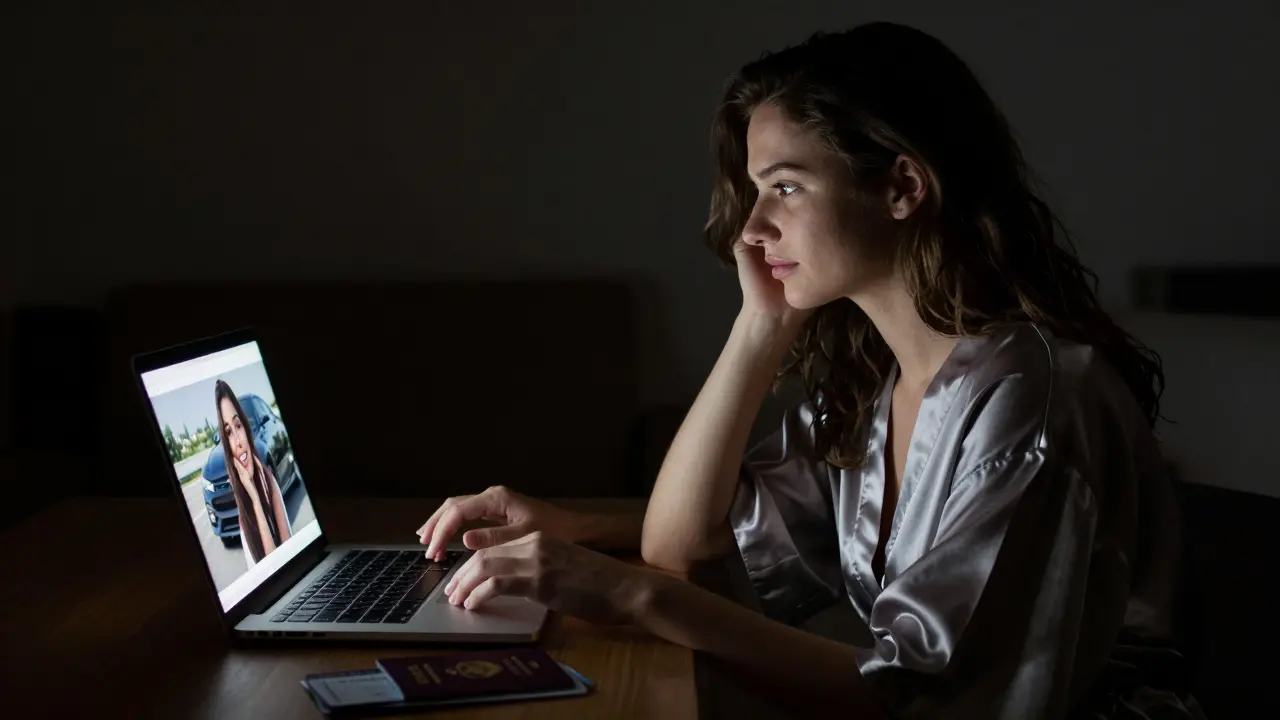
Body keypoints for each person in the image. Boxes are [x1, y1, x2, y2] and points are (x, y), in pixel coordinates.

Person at [414, 22, 1203, 719]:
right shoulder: (875, 386)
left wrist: (628, 593)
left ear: (902, 186)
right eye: (756, 193)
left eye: (786, 187)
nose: (752, 229)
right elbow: (682, 542)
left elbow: (915, 700)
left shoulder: (1033, 398)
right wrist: (758, 328)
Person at [215, 380, 292, 566]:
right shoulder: (244, 520)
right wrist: (255, 501)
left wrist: (261, 493)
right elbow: (272, 572)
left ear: (246, 428)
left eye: (238, 426)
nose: (238, 441)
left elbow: (290, 560)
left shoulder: (269, 482)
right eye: (228, 432)